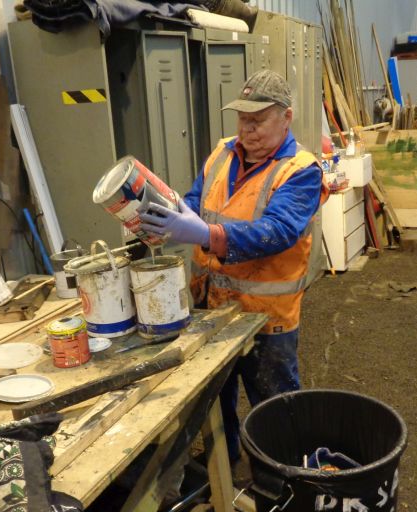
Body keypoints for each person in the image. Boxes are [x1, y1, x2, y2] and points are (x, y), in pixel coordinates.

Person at [140, 69, 327, 464]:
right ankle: (224, 474)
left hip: (266, 321)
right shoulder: (223, 152)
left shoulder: (301, 171)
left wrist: (206, 234)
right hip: (210, 309)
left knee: (274, 410)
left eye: (258, 120)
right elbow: (194, 201)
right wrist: (168, 217)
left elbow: (276, 232)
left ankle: (281, 483)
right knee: (213, 406)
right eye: (243, 118)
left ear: (286, 117)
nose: (248, 129)